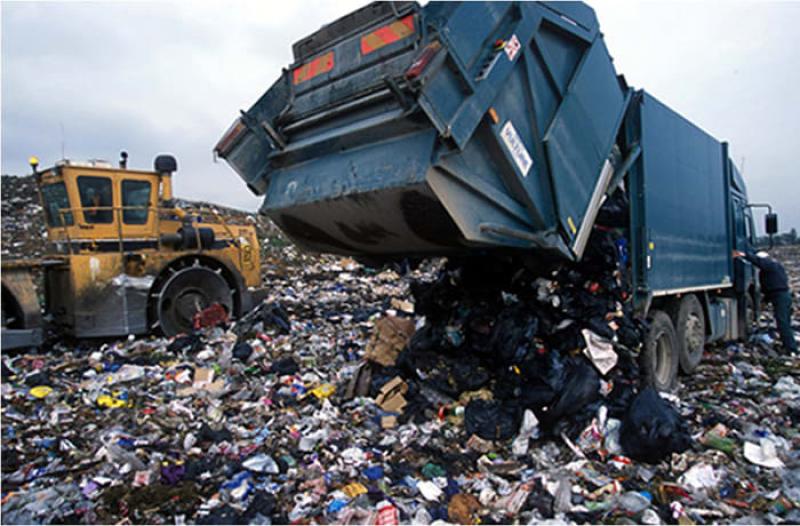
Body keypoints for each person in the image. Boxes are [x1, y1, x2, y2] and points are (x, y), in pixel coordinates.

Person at [734, 249, 797, 353]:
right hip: (782, 296)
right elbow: (769, 288)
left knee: (783, 323)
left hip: (780, 297)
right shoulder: (771, 270)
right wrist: (764, 302)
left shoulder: (771, 265)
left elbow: (761, 263)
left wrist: (744, 255)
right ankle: (788, 346)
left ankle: (791, 349)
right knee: (784, 323)